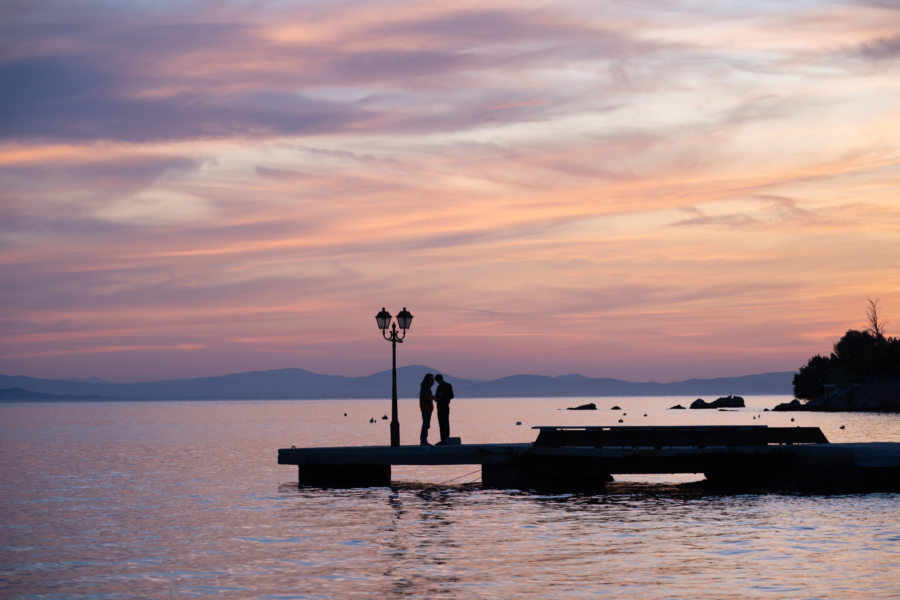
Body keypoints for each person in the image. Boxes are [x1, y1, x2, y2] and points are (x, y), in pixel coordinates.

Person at [434, 374, 454, 445]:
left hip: (445, 406)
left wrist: (443, 395)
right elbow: (436, 396)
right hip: (439, 407)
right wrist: (435, 398)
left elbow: (451, 396)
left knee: (445, 423)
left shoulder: (448, 386)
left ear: (441, 379)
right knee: (441, 424)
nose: (438, 382)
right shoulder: (439, 387)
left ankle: (446, 439)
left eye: (438, 380)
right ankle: (442, 440)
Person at [419, 373, 435, 446]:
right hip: (426, 408)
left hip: (427, 408)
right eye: (431, 379)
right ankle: (423, 440)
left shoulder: (425, 387)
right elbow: (426, 397)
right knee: (426, 424)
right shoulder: (425, 388)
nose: (433, 380)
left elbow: (427, 397)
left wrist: (432, 397)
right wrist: (431, 399)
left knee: (426, 424)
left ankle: (424, 440)